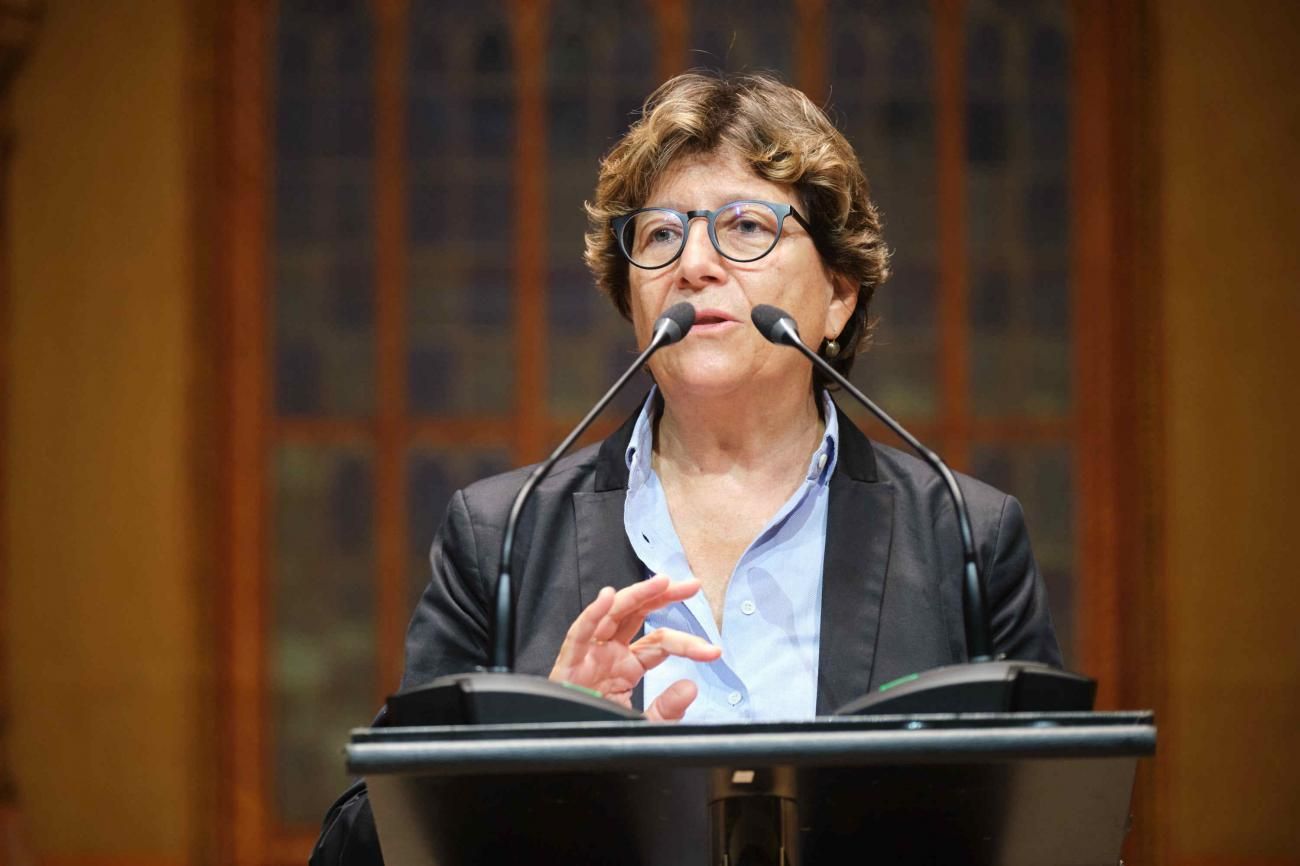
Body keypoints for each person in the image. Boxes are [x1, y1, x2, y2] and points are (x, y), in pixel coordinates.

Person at [311, 69, 1060, 864]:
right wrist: (525, 753)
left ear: (839, 293)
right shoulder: (502, 537)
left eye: (744, 227)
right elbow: (356, 846)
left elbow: (1059, 825)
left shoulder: (963, 538)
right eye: (661, 233)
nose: (693, 263)